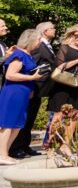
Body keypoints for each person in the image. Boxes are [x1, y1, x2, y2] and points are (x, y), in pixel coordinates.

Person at [0, 30, 44, 166]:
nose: (40, 42)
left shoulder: (27, 55)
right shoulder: (19, 54)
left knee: (17, 125)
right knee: (8, 124)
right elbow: (10, 75)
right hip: (14, 93)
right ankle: (2, 154)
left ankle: (4, 153)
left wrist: (30, 87)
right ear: (30, 40)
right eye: (38, 39)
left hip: (22, 94)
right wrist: (32, 77)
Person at [47, 25, 78, 135]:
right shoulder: (65, 48)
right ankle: (51, 144)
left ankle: (67, 144)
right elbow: (60, 66)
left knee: (75, 115)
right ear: (72, 35)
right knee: (58, 114)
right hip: (62, 85)